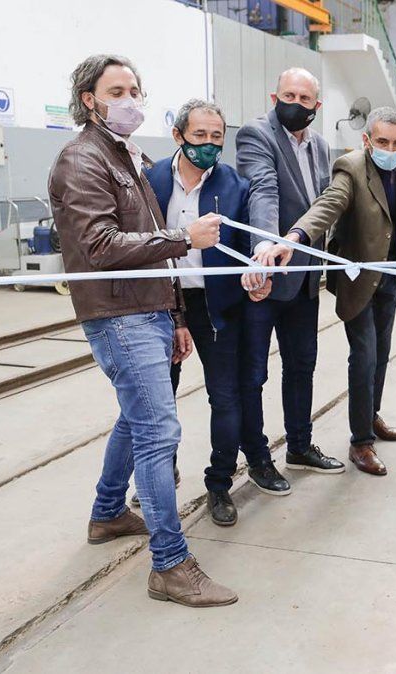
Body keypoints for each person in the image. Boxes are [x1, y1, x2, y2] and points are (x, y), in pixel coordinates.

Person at [48, 54, 235, 607]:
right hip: (118, 314)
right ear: (90, 99)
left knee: (136, 421)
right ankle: (171, 566)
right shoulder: (80, 161)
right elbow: (101, 247)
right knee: (159, 432)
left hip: (148, 311)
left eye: (135, 89)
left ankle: (107, 513)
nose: (131, 99)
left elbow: (149, 246)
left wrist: (175, 314)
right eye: (117, 90)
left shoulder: (128, 156)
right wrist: (185, 237)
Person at [259, 107, 396, 476]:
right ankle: (360, 442)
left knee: (382, 353)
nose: (390, 149)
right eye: (382, 142)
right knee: (364, 356)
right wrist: (294, 238)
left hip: (389, 274)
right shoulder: (351, 167)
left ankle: (371, 413)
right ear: (366, 140)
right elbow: (328, 206)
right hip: (356, 278)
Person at [143, 99, 261, 528]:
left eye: (217, 137)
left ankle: (219, 483)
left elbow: (249, 252)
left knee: (225, 397)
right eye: (200, 136)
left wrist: (256, 276)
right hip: (161, 305)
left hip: (217, 307)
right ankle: (161, 473)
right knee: (160, 400)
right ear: (178, 136)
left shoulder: (235, 187)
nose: (209, 145)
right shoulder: (150, 180)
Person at [234, 67, 346, 482]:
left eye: (304, 99)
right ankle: (259, 458)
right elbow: (264, 188)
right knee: (254, 374)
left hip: (304, 279)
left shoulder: (320, 144)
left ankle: (299, 446)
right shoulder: (256, 134)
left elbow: (323, 203)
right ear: (273, 95)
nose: (295, 104)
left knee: (302, 365)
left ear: (317, 106)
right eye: (288, 95)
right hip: (267, 277)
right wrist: (264, 244)